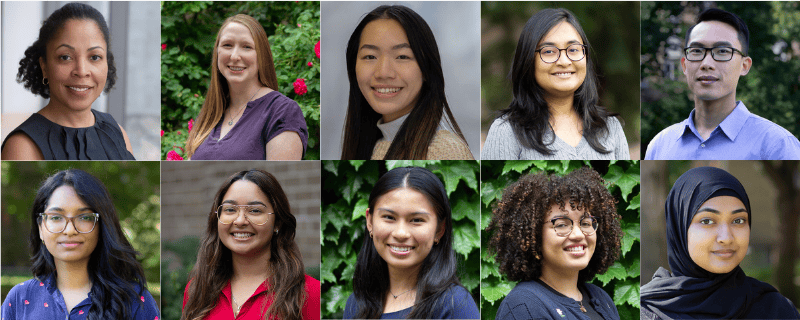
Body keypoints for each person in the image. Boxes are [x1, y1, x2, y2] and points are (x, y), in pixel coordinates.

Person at [640, 166, 800, 319]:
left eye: (738, 220)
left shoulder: (776, 310)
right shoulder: (646, 311)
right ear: (679, 228)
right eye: (707, 221)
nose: (726, 237)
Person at [645, 8, 800, 160]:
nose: (706, 64)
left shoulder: (777, 145)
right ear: (684, 65)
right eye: (697, 51)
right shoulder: (660, 145)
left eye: (722, 52)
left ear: (744, 66)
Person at [1, 169, 158, 319]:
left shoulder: (135, 299)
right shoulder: (19, 298)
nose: (70, 230)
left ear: (101, 226)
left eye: (84, 217)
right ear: (41, 228)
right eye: (56, 217)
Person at [482, 8, 629, 160]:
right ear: (528, 60)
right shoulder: (506, 131)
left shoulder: (611, 128)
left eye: (573, 49)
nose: (564, 61)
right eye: (549, 51)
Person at [1, 2, 135, 160]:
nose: (82, 71)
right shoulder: (22, 145)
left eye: (94, 57)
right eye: (65, 57)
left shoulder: (116, 131)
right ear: (44, 66)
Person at [181, 169, 320, 320]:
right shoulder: (196, 291)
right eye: (230, 209)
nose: (240, 221)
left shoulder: (309, 293)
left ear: (277, 223)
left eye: (254, 210)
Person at [343, 167, 479, 319]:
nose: (401, 233)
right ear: (370, 221)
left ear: (440, 229)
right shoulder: (356, 303)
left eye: (416, 220)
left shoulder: (455, 305)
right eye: (389, 217)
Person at [340, 5, 473, 160]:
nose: (383, 73)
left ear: (426, 68)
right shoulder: (372, 143)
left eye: (402, 56)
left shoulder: (444, 151)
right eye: (370, 56)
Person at [487, 167, 622, 320]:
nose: (578, 234)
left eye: (585, 223)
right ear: (535, 235)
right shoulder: (524, 307)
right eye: (562, 225)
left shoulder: (601, 298)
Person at [184, 15, 308, 160]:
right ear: (217, 52)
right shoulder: (210, 114)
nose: (235, 56)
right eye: (227, 45)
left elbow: (275, 180)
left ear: (261, 55)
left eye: (247, 47)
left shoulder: (281, 112)